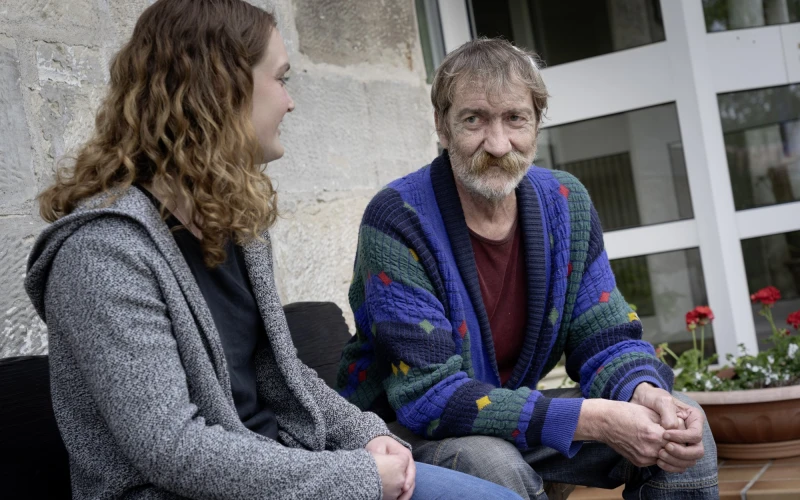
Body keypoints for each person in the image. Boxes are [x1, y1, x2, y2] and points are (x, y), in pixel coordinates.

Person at [24, 2, 523, 499]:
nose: (290, 102)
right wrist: (360, 478)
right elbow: (172, 448)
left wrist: (365, 433)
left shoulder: (230, 222)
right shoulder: (101, 254)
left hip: (286, 468)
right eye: (281, 79)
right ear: (222, 89)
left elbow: (280, 373)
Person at [337, 38, 719, 499]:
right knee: (493, 464)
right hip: (403, 434)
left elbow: (605, 334)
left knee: (677, 422)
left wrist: (643, 390)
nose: (498, 145)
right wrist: (596, 420)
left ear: (537, 123)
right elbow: (428, 396)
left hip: (505, 414)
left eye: (515, 118)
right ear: (442, 126)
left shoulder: (565, 202)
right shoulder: (397, 219)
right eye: (474, 119)